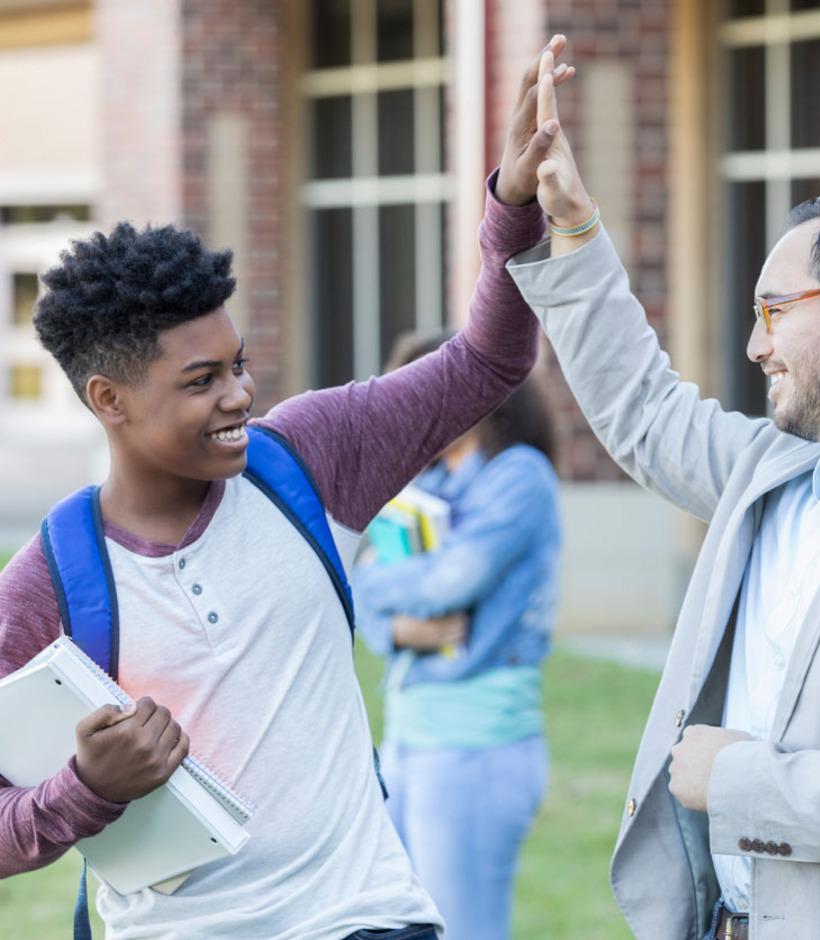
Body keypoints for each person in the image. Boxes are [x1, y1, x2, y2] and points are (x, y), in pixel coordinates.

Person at [0, 38, 576, 939]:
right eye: (200, 382)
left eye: (237, 365)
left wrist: (509, 204)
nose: (238, 394)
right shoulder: (54, 579)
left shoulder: (308, 458)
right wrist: (84, 791)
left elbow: (488, 362)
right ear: (107, 400)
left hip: (365, 917)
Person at [502, 43, 820, 940]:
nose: (756, 346)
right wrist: (574, 227)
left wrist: (734, 781)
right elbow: (640, 408)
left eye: (773, 310)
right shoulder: (767, 476)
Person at [353, 332, 560, 940]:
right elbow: (358, 590)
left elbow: (454, 578)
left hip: (477, 746)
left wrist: (381, 583)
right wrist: (398, 625)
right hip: (410, 739)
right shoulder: (428, 486)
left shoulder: (518, 477)